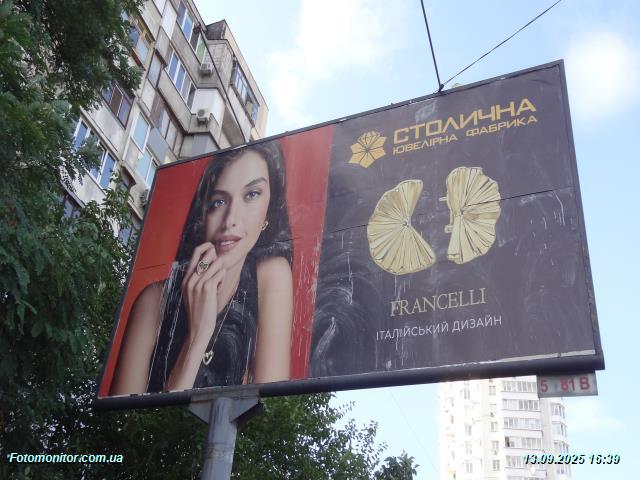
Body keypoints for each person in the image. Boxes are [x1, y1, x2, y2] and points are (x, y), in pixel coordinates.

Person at [110, 141, 293, 395]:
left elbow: (273, 408)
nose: (230, 220)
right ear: (203, 215)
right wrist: (198, 336)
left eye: (251, 195)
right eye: (219, 202)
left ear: (269, 211)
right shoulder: (154, 301)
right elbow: (123, 420)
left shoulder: (271, 275)